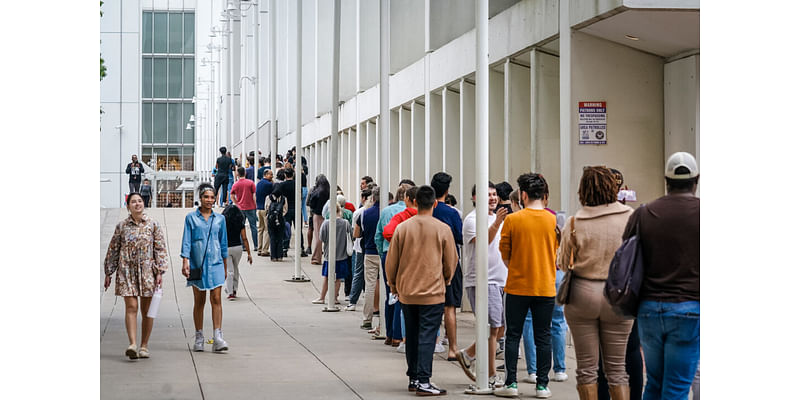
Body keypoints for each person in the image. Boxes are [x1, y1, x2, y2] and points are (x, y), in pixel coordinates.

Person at [555, 166, 634, 400]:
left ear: (583, 190)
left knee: (587, 370)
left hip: (582, 293)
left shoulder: (574, 222)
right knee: (618, 369)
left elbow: (562, 263)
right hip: (618, 295)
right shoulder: (630, 217)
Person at [628, 152, 700, 400]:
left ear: (666, 180)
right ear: (696, 180)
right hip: (689, 309)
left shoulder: (644, 213)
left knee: (655, 382)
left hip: (649, 308)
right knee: (677, 386)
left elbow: (627, 255)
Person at [386, 185, 458, 396]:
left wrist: (393, 284)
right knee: (427, 334)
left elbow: (392, 261)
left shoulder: (403, 228)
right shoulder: (442, 229)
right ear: (435, 203)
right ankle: (424, 380)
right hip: (432, 292)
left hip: (407, 292)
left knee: (412, 333)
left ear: (415, 202)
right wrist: (446, 279)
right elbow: (451, 261)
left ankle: (414, 377)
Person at [495, 173, 558, 398]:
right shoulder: (553, 220)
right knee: (544, 335)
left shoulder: (513, 220)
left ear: (522, 194)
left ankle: (510, 384)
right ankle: (542, 385)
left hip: (517, 287)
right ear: (544, 195)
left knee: (513, 335)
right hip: (545, 287)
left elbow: (505, 255)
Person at [103, 193, 168, 359]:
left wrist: (160, 271)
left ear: (143, 204)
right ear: (128, 206)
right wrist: (108, 272)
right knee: (131, 307)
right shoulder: (122, 226)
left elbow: (160, 248)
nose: (137, 204)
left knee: (147, 310)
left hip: (148, 271)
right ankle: (132, 344)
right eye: (133, 202)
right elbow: (113, 249)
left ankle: (144, 345)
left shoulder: (153, 225)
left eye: (139, 201)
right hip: (127, 271)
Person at [456, 182, 508, 390]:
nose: (493, 198)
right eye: (488, 195)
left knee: (501, 327)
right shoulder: (471, 219)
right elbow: (483, 242)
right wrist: (497, 223)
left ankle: (469, 353)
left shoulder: (497, 218)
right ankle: (491, 375)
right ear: (475, 198)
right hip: (482, 280)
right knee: (492, 328)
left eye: (494, 194)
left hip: (501, 279)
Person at [180, 183, 230, 352]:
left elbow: (223, 243)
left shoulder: (220, 219)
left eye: (212, 197)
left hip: (216, 263)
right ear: (200, 198)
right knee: (199, 301)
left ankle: (218, 336)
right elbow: (186, 240)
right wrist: (185, 260)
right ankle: (199, 335)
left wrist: (225, 266)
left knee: (216, 299)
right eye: (206, 197)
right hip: (198, 264)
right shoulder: (191, 218)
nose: (209, 200)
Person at [429, 172, 463, 360]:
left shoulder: (426, 211)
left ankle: (433, 342)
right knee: (450, 307)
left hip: (429, 263)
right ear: (447, 191)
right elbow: (460, 237)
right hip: (450, 261)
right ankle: (453, 347)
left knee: (431, 306)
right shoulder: (452, 213)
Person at [375, 184, 411, 345]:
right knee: (402, 294)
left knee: (390, 292)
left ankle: (388, 332)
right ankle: (398, 334)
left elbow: (378, 236)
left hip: (387, 254)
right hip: (405, 255)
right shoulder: (411, 213)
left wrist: (383, 252)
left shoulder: (386, 211)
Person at [312, 203, 352, 304]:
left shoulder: (326, 223)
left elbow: (322, 238)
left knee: (327, 277)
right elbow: (351, 236)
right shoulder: (346, 223)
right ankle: (335, 298)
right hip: (342, 254)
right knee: (338, 278)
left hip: (329, 254)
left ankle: (322, 297)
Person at [356, 187, 381, 330]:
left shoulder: (365, 214)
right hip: (384, 252)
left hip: (369, 252)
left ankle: (367, 318)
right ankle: (383, 319)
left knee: (370, 285)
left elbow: (357, 233)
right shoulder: (386, 213)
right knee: (385, 285)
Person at [346, 189, 373, 311]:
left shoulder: (360, 213)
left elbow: (355, 233)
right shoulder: (380, 211)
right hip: (374, 248)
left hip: (361, 247)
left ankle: (352, 301)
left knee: (358, 273)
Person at [222, 204, 253, 300]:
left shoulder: (223, 223)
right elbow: (244, 238)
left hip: (227, 247)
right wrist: (249, 253)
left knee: (229, 270)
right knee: (235, 268)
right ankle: (234, 289)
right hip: (238, 248)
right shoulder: (240, 222)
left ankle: (230, 291)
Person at [272, 167, 303, 258]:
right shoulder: (297, 184)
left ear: (285, 175)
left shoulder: (282, 185)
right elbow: (300, 195)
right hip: (296, 208)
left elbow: (275, 194)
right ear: (293, 175)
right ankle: (301, 247)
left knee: (285, 229)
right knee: (298, 229)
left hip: (286, 209)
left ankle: (285, 248)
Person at [230, 167, 259, 252]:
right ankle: (256, 245)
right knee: (253, 227)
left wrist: (237, 203)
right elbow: (254, 195)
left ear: (238, 174)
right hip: (251, 207)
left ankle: (243, 246)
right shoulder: (250, 183)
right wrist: (255, 204)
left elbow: (232, 196)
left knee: (241, 227)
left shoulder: (235, 184)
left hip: (241, 208)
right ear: (245, 173)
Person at [307, 175, 330, 264]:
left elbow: (310, 203)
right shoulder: (329, 191)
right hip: (328, 215)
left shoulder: (316, 191)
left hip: (317, 214)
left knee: (318, 237)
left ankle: (316, 258)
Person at [256, 169, 275, 257]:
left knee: (260, 229)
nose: (272, 176)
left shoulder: (258, 183)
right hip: (265, 209)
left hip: (258, 208)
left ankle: (259, 248)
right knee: (268, 230)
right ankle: (265, 249)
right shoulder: (269, 184)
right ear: (266, 174)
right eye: (270, 175)